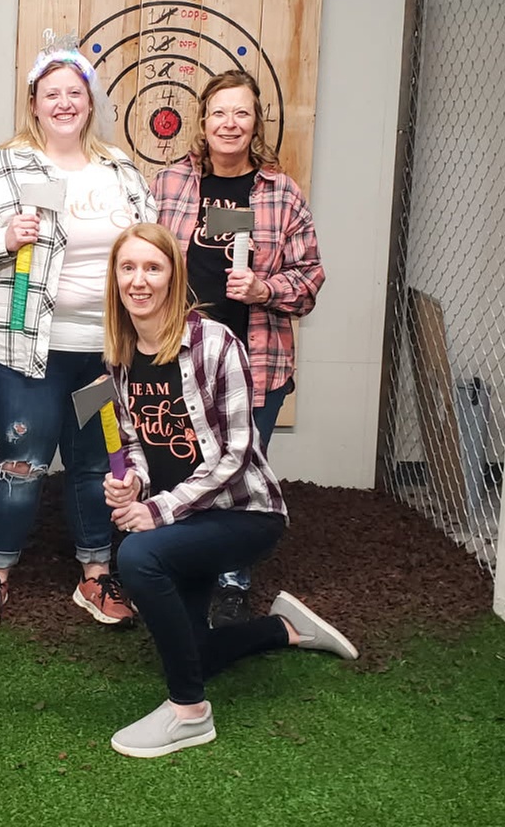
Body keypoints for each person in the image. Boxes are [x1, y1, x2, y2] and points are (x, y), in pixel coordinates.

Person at [98, 223, 355, 758]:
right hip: (185, 517)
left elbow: (237, 454)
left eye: (153, 267)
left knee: (138, 556)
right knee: (194, 650)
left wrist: (157, 510)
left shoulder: (214, 343)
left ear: (174, 275)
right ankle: (285, 628)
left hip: (245, 513)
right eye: (128, 268)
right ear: (115, 278)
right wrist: (133, 485)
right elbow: (138, 443)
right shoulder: (119, 355)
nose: (139, 281)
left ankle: (190, 713)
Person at [0, 35, 155, 631]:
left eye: (75, 93)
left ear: (90, 102)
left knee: (97, 462)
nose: (64, 103)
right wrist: (1, 239)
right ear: (33, 103)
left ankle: (95, 576)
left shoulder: (120, 170)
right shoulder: (2, 166)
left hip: (104, 354)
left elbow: (151, 247)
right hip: (23, 351)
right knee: (22, 460)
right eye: (51, 94)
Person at [149, 70, 325, 626]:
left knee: (241, 473)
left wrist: (265, 289)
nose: (230, 123)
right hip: (180, 356)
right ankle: (179, 567)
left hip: (256, 361)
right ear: (203, 121)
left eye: (242, 113)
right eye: (219, 113)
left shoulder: (281, 193)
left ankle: (231, 581)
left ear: (256, 123)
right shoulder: (168, 183)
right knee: (180, 464)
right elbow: (139, 254)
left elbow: (311, 278)